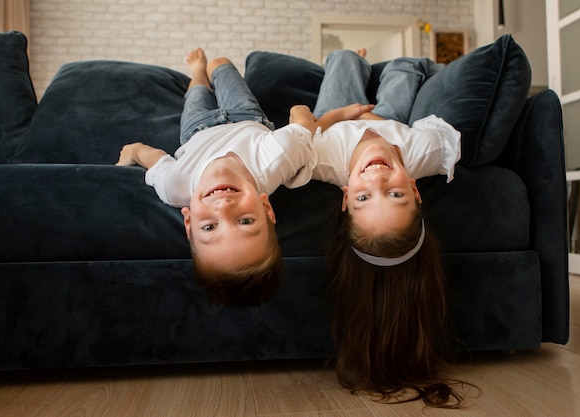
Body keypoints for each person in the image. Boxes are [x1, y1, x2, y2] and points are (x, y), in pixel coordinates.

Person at [312, 49, 469, 407]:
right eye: (396, 193)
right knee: (403, 69)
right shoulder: (423, 154)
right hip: (392, 121)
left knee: (341, 60)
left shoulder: (322, 162)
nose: (377, 176)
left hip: (337, 124)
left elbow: (302, 131)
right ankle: (384, 66)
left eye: (364, 198)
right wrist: (387, 127)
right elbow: (441, 132)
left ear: (345, 197)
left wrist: (333, 119)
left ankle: (356, 58)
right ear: (415, 188)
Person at [116, 47, 320, 308]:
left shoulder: (175, 186)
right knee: (221, 63)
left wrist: (133, 151)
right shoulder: (278, 158)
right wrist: (303, 124)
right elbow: (302, 118)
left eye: (210, 227)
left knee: (198, 89)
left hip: (196, 128)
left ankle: (198, 72)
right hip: (246, 117)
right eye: (245, 221)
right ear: (267, 207)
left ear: (188, 221)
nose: (223, 208)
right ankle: (212, 67)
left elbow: (153, 156)